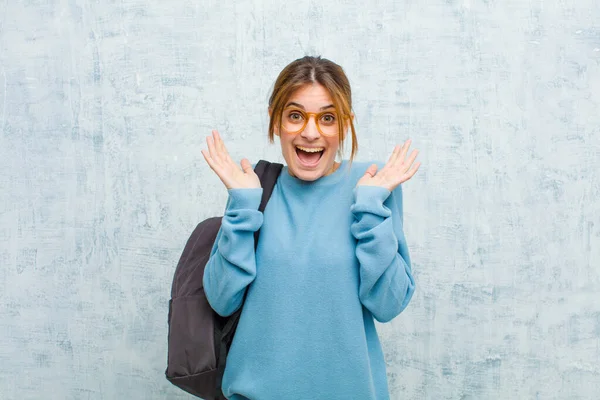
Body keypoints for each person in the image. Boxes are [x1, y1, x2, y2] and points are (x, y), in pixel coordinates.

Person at [201, 55, 420, 400]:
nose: (310, 132)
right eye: (295, 115)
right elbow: (222, 299)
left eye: (327, 118)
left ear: (344, 126)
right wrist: (242, 206)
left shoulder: (373, 185)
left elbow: (388, 304)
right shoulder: (255, 188)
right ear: (276, 123)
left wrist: (369, 206)